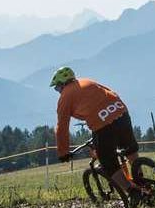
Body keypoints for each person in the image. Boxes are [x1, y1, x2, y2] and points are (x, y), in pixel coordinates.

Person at [50, 67, 144, 195]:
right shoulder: (88, 81)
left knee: (107, 162)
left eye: (56, 88)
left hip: (102, 124)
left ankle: (134, 193)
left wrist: (63, 152)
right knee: (129, 148)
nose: (57, 91)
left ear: (62, 84)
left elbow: (62, 127)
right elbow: (111, 92)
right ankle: (142, 181)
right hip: (120, 111)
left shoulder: (65, 97)